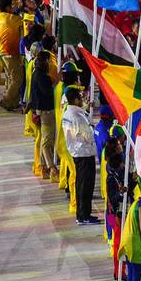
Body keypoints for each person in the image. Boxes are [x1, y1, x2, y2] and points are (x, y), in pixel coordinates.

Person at [61, 87, 99, 225]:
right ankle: (83, 216)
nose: (83, 100)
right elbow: (87, 136)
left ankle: (83, 214)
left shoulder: (69, 113)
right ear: (76, 100)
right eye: (81, 98)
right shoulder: (77, 117)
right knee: (85, 186)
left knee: (82, 184)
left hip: (78, 153)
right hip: (84, 153)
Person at [0, 0, 22, 111]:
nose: (15, 6)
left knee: (10, 78)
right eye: (13, 4)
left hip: (2, 53)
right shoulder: (11, 19)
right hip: (11, 53)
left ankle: (13, 103)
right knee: (17, 79)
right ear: (8, 7)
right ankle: (6, 101)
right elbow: (25, 21)